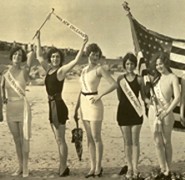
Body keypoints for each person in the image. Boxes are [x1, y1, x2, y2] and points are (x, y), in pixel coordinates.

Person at [36, 30, 88, 177]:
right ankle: (62, 165)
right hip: (51, 106)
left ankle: (63, 167)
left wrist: (84, 43)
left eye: (57, 57)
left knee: (60, 139)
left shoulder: (60, 71)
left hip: (58, 107)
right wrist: (38, 39)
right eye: (52, 56)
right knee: (58, 139)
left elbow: (76, 61)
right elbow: (39, 56)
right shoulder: (49, 69)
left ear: (60, 59)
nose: (55, 59)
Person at [74, 43, 118, 178]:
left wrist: (100, 95)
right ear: (88, 54)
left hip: (95, 104)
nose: (95, 57)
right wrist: (76, 108)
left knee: (96, 137)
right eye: (93, 54)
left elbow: (114, 84)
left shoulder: (99, 69)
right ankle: (92, 167)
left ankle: (99, 167)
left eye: (97, 55)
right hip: (84, 104)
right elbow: (82, 90)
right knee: (89, 138)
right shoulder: (83, 70)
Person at [145, 52, 180, 178]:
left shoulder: (172, 77)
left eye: (161, 63)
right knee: (157, 142)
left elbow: (177, 98)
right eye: (157, 64)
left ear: (166, 63)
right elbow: (148, 97)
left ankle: (168, 169)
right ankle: (162, 168)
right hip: (154, 112)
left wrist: (167, 111)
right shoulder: (155, 79)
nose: (159, 66)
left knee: (166, 141)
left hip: (167, 112)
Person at [1, 47, 35, 177]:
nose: (17, 57)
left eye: (20, 55)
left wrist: (33, 46)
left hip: (23, 108)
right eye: (15, 54)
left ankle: (26, 166)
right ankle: (20, 166)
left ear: (22, 58)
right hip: (10, 109)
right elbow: (2, 90)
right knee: (16, 139)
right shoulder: (5, 73)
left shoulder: (24, 71)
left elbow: (31, 58)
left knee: (24, 138)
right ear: (11, 56)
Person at [116, 52, 145, 179]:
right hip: (123, 112)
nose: (129, 66)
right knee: (127, 142)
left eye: (132, 64)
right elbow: (119, 96)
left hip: (136, 113)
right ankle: (129, 167)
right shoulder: (120, 79)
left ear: (135, 65)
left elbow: (144, 97)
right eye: (127, 64)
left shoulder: (139, 79)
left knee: (135, 142)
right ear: (124, 65)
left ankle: (135, 168)